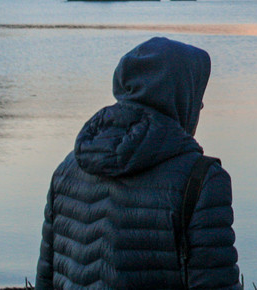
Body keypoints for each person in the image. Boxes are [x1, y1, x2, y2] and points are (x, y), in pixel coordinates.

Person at [36, 37, 242, 290]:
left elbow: (45, 278)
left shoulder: (67, 169)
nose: (199, 106)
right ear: (178, 96)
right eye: (196, 96)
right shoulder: (201, 180)